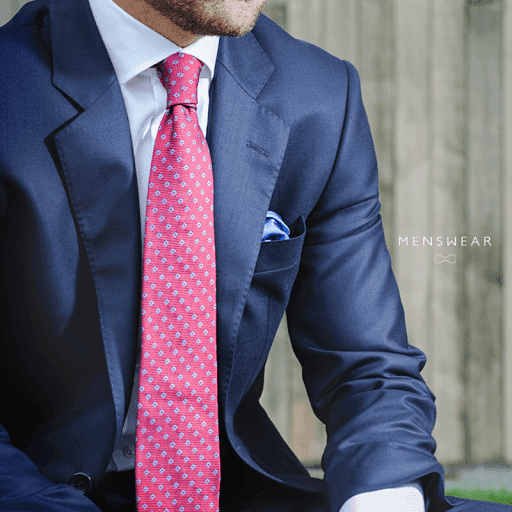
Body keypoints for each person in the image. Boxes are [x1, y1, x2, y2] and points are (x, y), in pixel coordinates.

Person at [0, 0, 508, 511]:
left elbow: (366, 367)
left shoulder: (319, 95)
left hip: (235, 490)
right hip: (35, 488)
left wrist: (379, 501)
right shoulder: (11, 84)